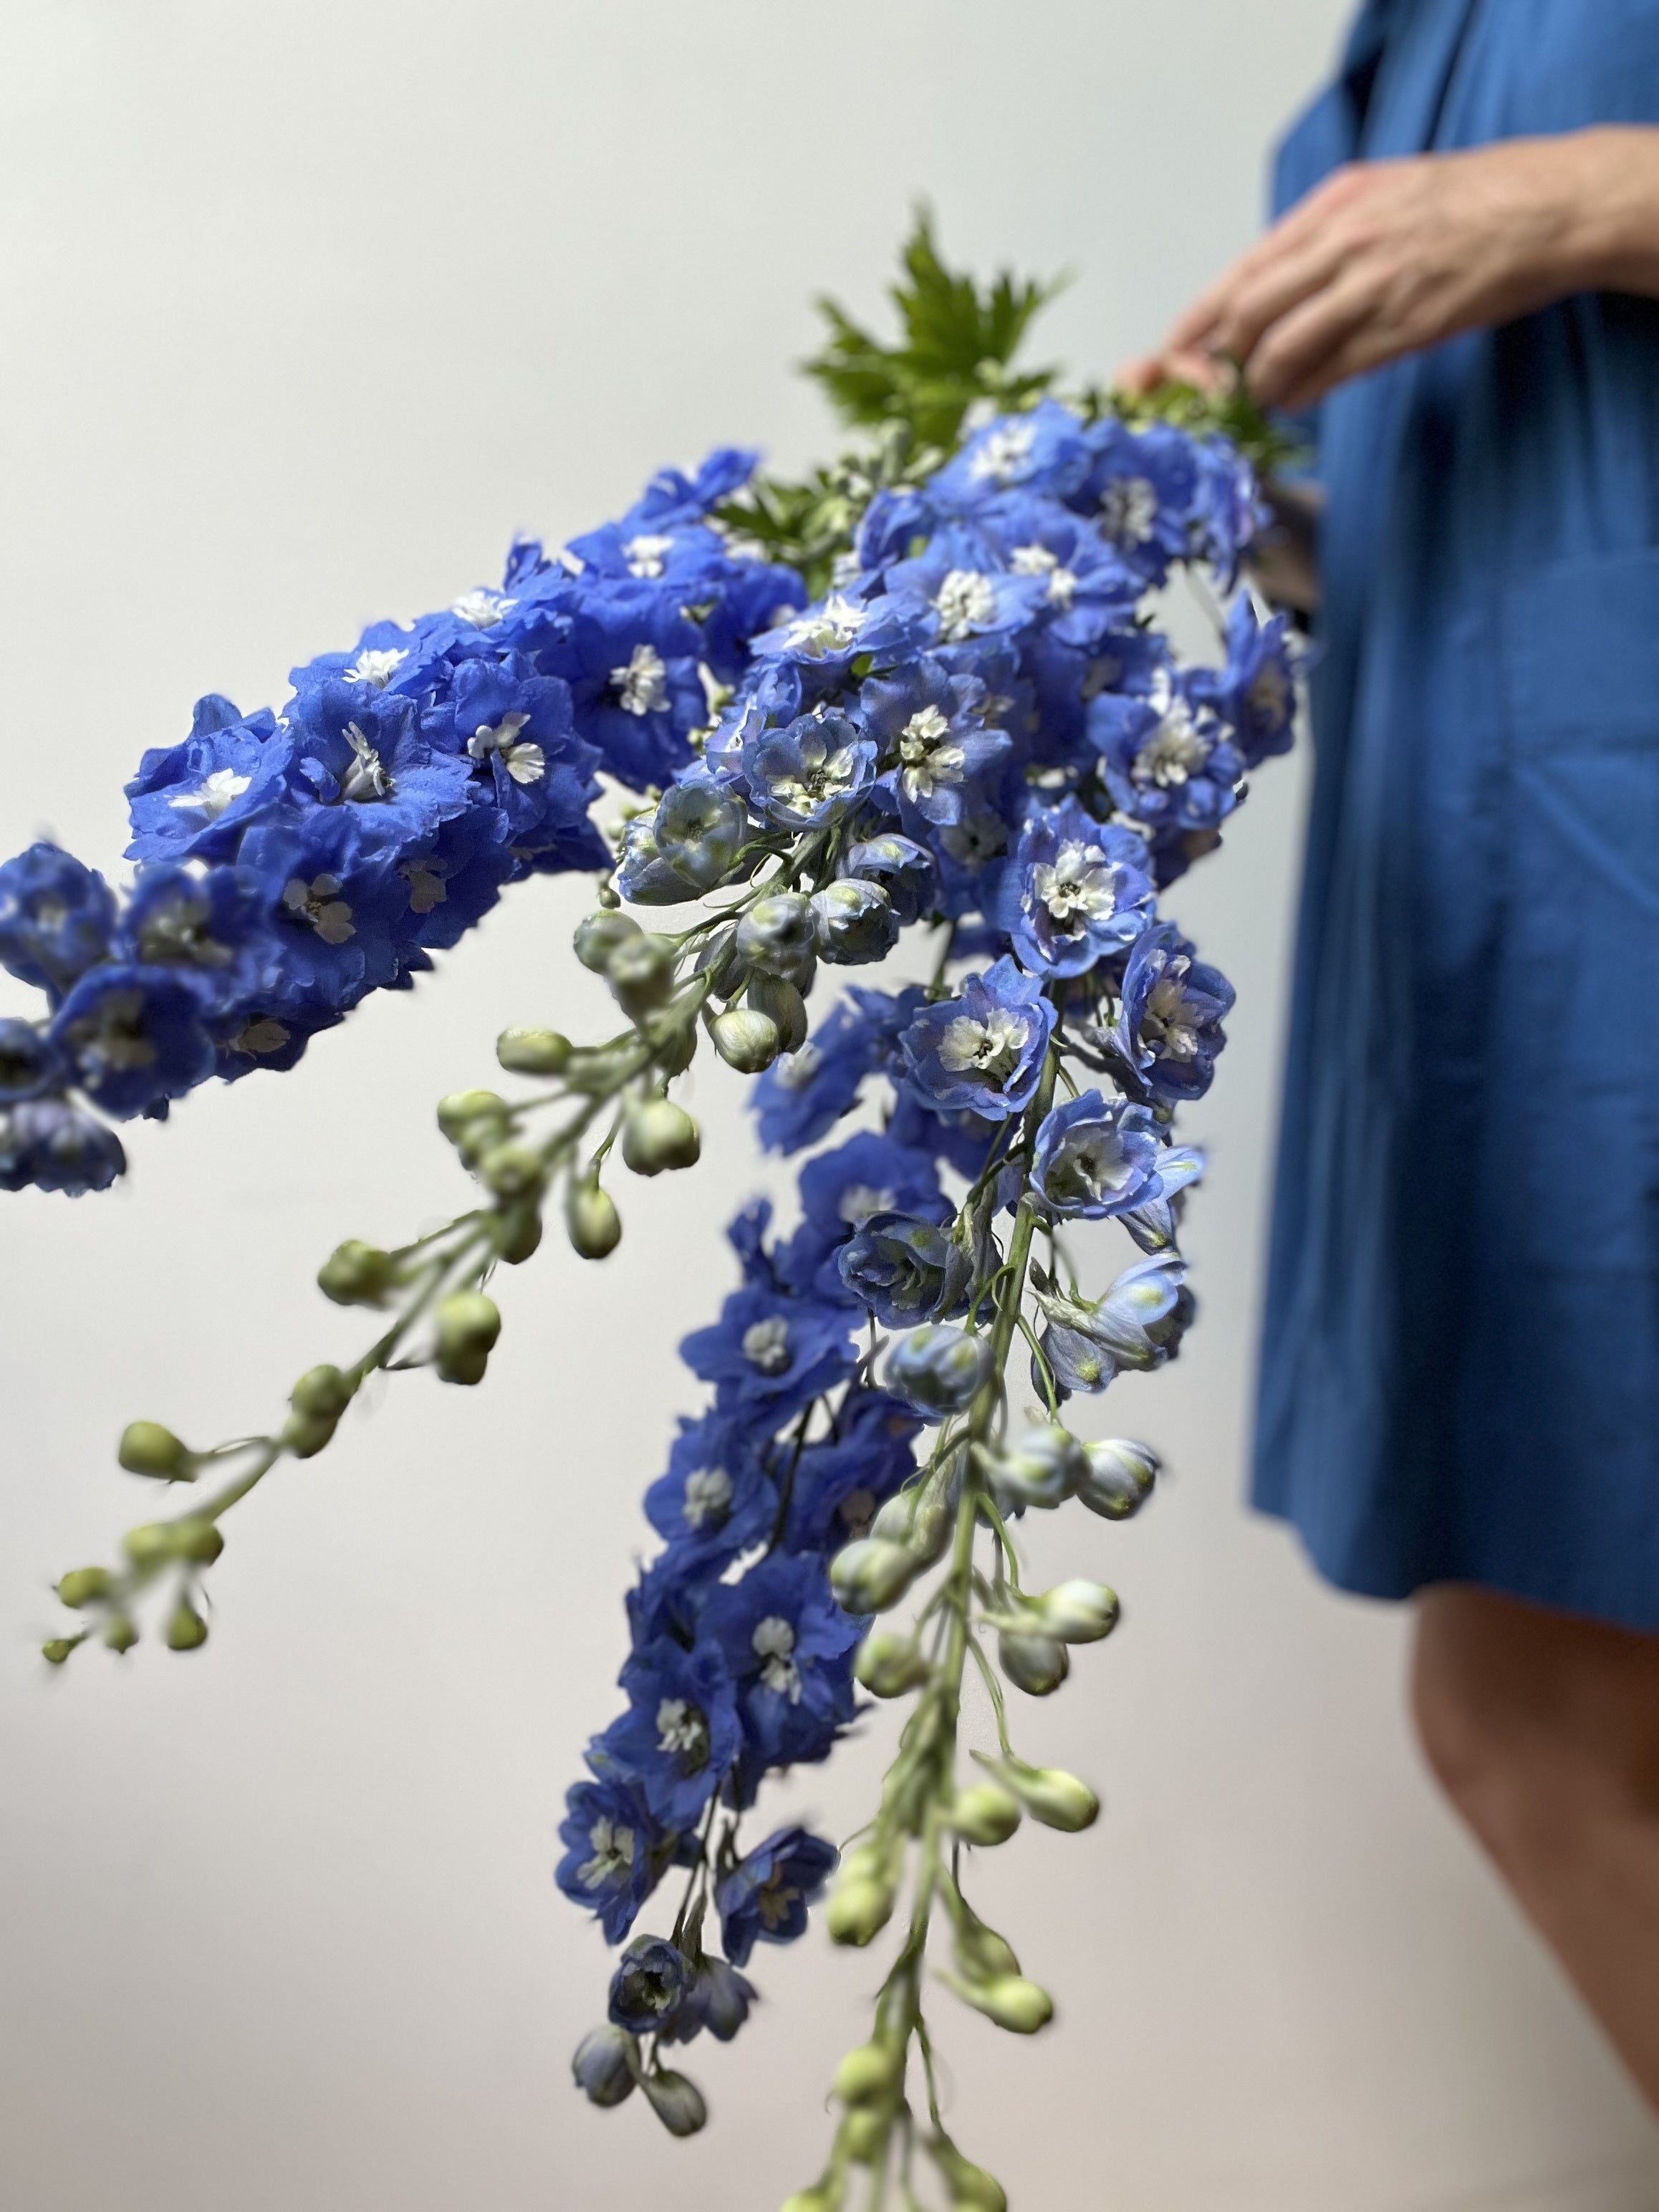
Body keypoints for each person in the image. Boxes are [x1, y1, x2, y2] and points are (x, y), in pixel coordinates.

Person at [1123, 0, 1659, 2110]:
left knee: (1540, 1733)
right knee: (1535, 1725)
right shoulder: (1387, 56)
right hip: (1482, 911)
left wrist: (1585, 195)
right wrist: (1225, 512)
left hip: (1609, 875)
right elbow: (1452, 505)